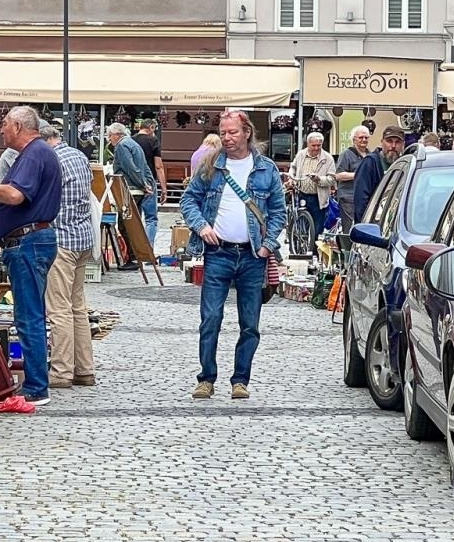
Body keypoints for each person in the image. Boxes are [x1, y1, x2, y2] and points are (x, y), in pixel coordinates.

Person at [179, 109, 286, 401]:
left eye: (232, 132)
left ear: (247, 132)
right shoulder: (212, 165)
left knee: (249, 322)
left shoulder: (266, 168)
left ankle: (240, 379)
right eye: (223, 132)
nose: (227, 138)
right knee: (210, 317)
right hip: (219, 252)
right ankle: (206, 378)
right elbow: (189, 199)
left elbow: (278, 211)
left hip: (253, 255)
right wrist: (201, 226)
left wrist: (268, 244)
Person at [0, 106, 62, 405]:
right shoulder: (38, 152)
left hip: (28, 242)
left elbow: (15, 195)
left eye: (4, 125)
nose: (1, 130)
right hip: (32, 240)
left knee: (29, 316)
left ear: (16, 125)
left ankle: (37, 387)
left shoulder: (34, 153)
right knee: (30, 314)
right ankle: (36, 381)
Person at [40, 122, 97, 389]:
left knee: (58, 308)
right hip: (82, 237)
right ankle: (85, 369)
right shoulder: (78, 155)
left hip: (61, 239)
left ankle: (61, 371)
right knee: (77, 307)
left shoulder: (51, 160)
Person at [108, 121, 157, 256]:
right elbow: (145, 167)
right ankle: (136, 255)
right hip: (138, 190)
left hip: (129, 190)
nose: (109, 139)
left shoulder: (122, 146)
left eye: (110, 135)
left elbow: (131, 168)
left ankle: (130, 257)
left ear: (117, 135)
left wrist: (142, 184)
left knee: (126, 225)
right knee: (135, 225)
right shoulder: (134, 144)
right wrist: (148, 184)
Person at [287, 131, 337, 252]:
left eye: (318, 145)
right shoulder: (301, 155)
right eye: (313, 145)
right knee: (299, 222)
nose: (316, 148)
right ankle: (297, 247)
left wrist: (319, 179)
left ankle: (313, 254)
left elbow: (332, 178)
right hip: (302, 194)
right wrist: (291, 178)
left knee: (317, 228)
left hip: (318, 198)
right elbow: (292, 168)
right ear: (308, 144)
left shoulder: (327, 158)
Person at [351, 125, 405, 225]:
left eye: (397, 142)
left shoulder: (405, 165)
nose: (393, 146)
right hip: (373, 225)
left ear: (403, 145)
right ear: (382, 142)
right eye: (389, 141)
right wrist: (365, 227)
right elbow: (361, 199)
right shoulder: (370, 163)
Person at [335, 125, 372, 235]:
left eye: (366, 137)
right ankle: (347, 250)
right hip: (348, 197)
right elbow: (338, 175)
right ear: (354, 139)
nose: (364, 140)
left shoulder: (370, 155)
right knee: (350, 228)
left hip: (365, 198)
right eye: (361, 137)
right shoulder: (346, 154)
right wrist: (358, 175)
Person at [133, 117, 168, 224]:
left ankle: (135, 240)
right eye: (155, 129)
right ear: (151, 127)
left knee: (135, 217)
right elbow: (158, 166)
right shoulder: (153, 141)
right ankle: (149, 241)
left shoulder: (131, 140)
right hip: (149, 180)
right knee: (151, 218)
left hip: (134, 181)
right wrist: (164, 189)